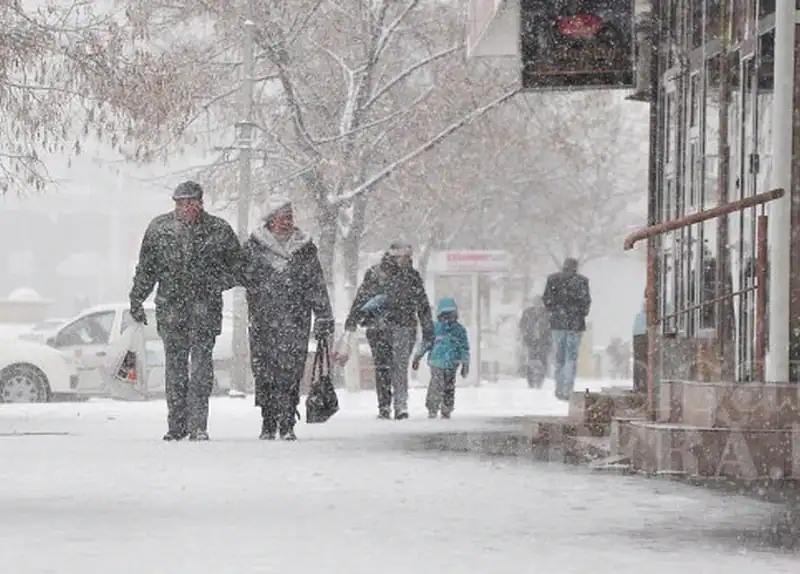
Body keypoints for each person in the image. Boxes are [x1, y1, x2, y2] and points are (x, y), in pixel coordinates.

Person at [129, 180, 245, 441]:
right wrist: (136, 299)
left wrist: (214, 282)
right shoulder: (159, 229)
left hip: (205, 309)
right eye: (180, 203)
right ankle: (176, 425)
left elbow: (239, 268)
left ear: (201, 203)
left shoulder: (218, 230)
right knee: (175, 367)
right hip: (171, 308)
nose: (185, 208)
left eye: (190, 203)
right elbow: (146, 269)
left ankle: (198, 425)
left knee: (201, 368)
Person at [243, 197, 333, 441]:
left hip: (296, 318)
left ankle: (287, 419)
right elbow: (242, 275)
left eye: (290, 217)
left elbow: (316, 283)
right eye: (283, 217)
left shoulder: (304, 248)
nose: (287, 222)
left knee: (291, 370)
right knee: (264, 370)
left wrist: (323, 315)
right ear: (270, 219)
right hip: (263, 319)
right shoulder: (253, 247)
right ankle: (268, 418)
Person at [344, 241, 434, 420]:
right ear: (394, 256)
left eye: (409, 256)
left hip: (405, 326)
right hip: (379, 328)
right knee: (383, 368)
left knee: (400, 367)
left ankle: (400, 405)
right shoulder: (375, 274)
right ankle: (384, 406)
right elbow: (362, 296)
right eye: (405, 256)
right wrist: (352, 319)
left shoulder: (412, 276)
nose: (408, 260)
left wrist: (428, 328)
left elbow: (422, 303)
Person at [411, 296, 470, 419]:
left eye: (451, 315)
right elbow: (426, 343)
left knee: (449, 386)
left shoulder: (459, 331)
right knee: (436, 385)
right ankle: (432, 407)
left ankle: (447, 408)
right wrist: (417, 357)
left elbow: (464, 348)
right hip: (436, 362)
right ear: (439, 315)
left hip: (452, 363)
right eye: (445, 315)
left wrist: (465, 363)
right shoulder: (435, 329)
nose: (448, 319)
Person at [542, 257, 591, 401]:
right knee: (571, 358)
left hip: (558, 323)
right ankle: (568, 389)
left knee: (559, 357)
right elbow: (586, 302)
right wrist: (579, 313)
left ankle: (559, 388)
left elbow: (547, 300)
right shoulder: (582, 281)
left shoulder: (553, 279)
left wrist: (555, 310)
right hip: (575, 324)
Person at [518, 295, 551, 388]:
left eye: (539, 302)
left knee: (543, 361)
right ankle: (531, 381)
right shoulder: (528, 312)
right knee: (531, 360)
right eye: (536, 302)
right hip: (531, 341)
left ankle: (540, 380)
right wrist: (525, 335)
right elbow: (522, 325)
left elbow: (551, 328)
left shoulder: (547, 313)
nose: (537, 304)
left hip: (544, 341)